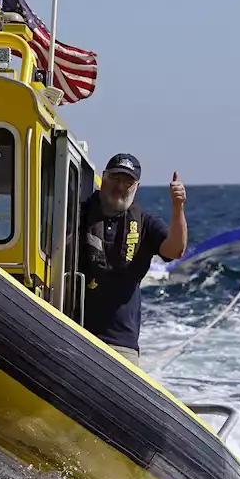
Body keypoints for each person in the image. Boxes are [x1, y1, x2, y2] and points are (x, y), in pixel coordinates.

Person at [78, 153, 187, 366]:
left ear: (136, 186)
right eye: (116, 179)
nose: (121, 187)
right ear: (104, 178)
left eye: (127, 182)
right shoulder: (75, 212)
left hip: (121, 343)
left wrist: (178, 207)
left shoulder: (146, 223)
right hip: (71, 331)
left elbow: (176, 250)